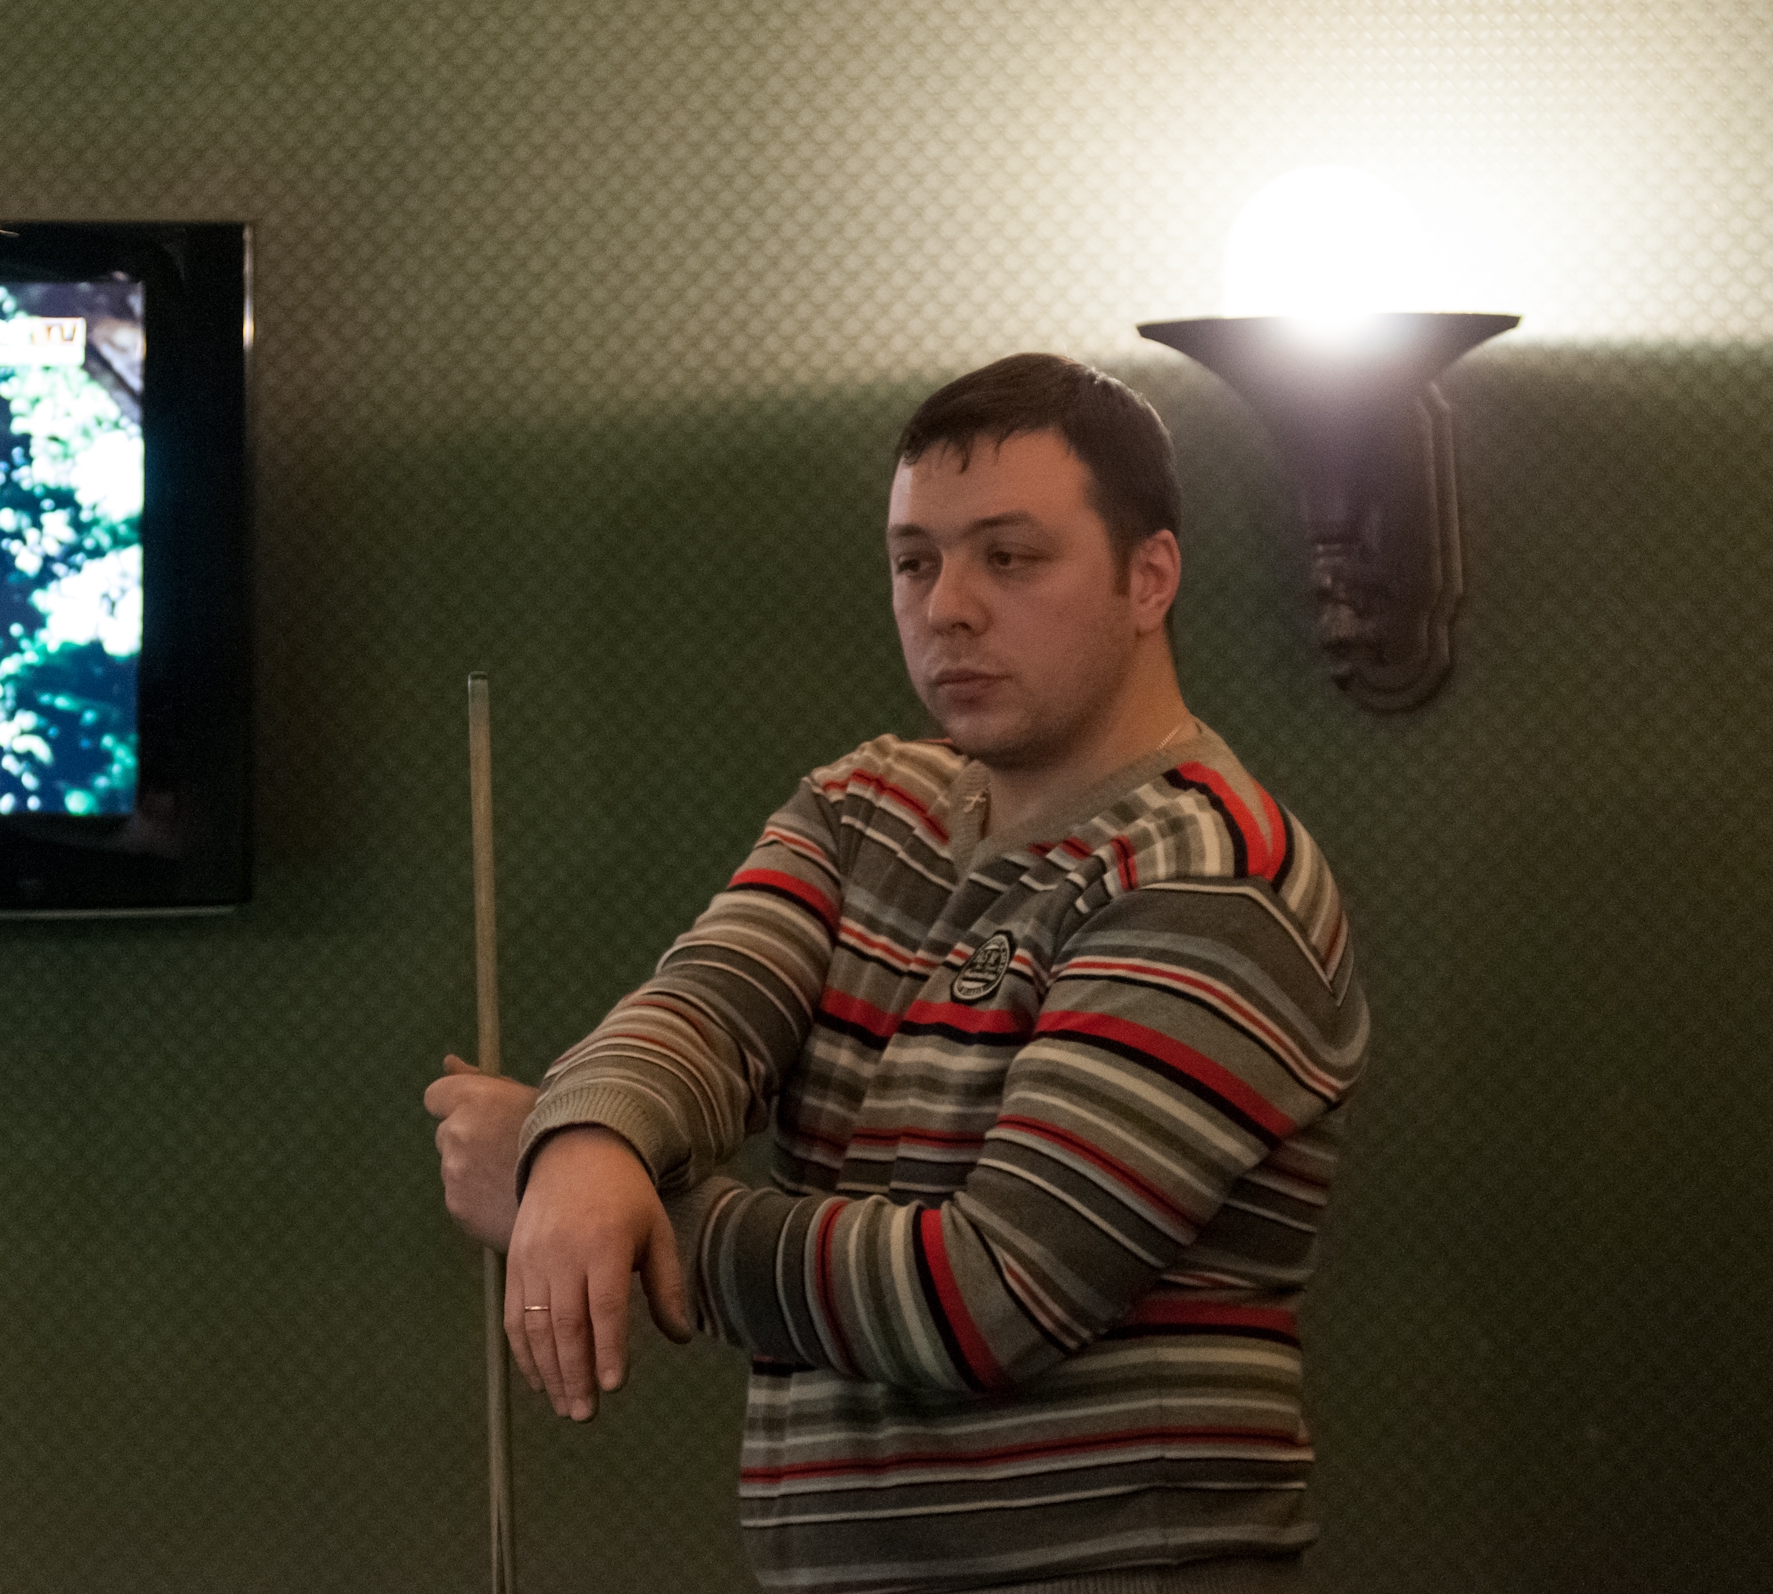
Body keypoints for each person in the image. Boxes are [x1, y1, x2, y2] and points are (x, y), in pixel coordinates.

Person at [427, 353, 1370, 1594]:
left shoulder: (1210, 871)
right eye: (915, 561)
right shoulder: (866, 802)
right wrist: (589, 1140)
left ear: (1150, 577)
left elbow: (989, 1294)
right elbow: (707, 1009)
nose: (949, 607)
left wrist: (622, 1216)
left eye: (1010, 557)